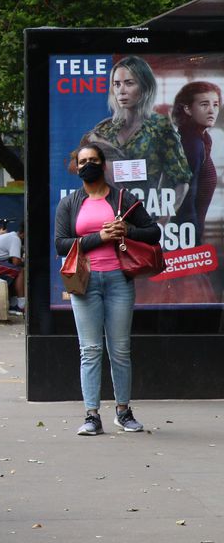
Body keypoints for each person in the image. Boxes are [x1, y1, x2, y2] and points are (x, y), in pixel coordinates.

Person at [54, 143, 160, 436]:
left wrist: (127, 230)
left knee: (120, 350)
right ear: (76, 167)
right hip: (85, 282)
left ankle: (123, 412)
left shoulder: (123, 199)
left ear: (103, 164)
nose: (88, 165)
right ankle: (91, 415)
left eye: (93, 160)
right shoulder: (70, 203)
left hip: (118, 280)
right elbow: (61, 243)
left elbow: (154, 232)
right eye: (82, 161)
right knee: (89, 350)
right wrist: (99, 237)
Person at [77, 55, 190, 204]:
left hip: (147, 212)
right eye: (116, 84)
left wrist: (162, 220)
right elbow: (84, 174)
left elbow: (181, 180)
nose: (121, 90)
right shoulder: (103, 130)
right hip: (107, 215)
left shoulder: (159, 126)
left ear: (145, 86)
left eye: (129, 83)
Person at [172, 81, 221, 245]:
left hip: (189, 230)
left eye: (215, 104)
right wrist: (192, 240)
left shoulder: (202, 139)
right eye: (204, 104)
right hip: (185, 233)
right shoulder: (192, 143)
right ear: (187, 109)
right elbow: (186, 196)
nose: (212, 110)